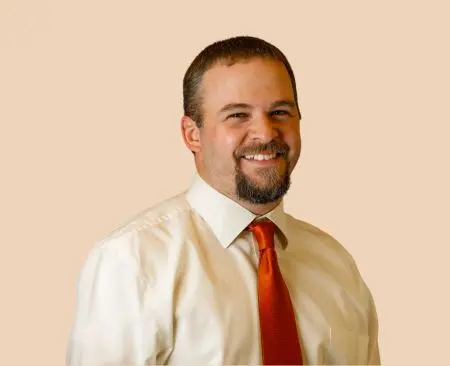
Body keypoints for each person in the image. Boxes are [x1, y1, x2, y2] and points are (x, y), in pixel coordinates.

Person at [66, 35, 381, 365]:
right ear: (192, 134)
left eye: (280, 111)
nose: (265, 132)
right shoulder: (133, 261)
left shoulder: (337, 266)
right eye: (237, 115)